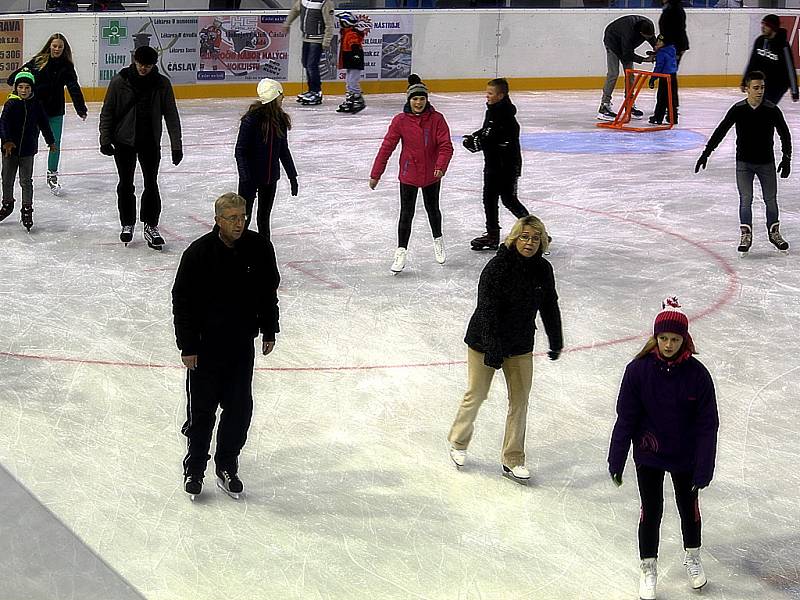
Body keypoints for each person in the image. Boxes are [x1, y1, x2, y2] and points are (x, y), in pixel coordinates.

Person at [608, 297, 719, 600]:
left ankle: (693, 557)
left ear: (685, 340)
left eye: (675, 339)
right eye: (664, 338)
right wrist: (616, 458)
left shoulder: (698, 375)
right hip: (650, 452)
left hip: (686, 456)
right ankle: (648, 566)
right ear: (655, 337)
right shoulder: (638, 371)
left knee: (689, 509)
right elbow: (626, 418)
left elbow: (708, 425)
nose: (669, 344)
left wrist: (704, 466)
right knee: (651, 510)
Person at [171, 192, 280, 500]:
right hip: (205, 349)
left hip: (241, 346)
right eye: (232, 218)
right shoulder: (198, 254)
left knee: (239, 409)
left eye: (242, 217)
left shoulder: (259, 249)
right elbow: (182, 302)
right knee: (202, 412)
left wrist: (270, 329)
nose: (239, 223)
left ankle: (227, 465)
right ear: (217, 220)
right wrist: (187, 346)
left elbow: (267, 292)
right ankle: (194, 469)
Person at [447, 216, 562, 484]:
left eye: (535, 238)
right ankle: (458, 442)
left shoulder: (543, 269)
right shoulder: (496, 267)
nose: (529, 243)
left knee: (520, 401)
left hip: (520, 343)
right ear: (514, 238)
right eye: (524, 237)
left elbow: (549, 305)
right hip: (484, 341)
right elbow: (486, 311)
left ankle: (513, 459)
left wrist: (555, 338)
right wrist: (493, 349)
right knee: (476, 393)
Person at [695, 70, 791, 254]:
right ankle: (746, 235)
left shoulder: (771, 110)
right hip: (744, 164)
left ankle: (774, 233)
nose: (760, 91)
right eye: (755, 87)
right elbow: (721, 131)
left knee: (770, 200)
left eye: (762, 87)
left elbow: (785, 134)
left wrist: (787, 158)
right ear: (746, 89)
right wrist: (706, 153)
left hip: (766, 163)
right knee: (745, 199)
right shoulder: (738, 109)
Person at [99, 45, 182, 250]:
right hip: (123, 141)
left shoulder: (162, 84)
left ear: (154, 65)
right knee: (125, 184)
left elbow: (171, 115)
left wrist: (176, 145)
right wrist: (104, 139)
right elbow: (108, 110)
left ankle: (151, 225)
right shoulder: (120, 81)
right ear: (134, 61)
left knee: (151, 184)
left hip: (150, 142)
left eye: (148, 65)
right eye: (140, 64)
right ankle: (127, 222)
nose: (143, 68)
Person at [369, 74, 454, 273]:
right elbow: (386, 147)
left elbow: (446, 146)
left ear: (427, 99)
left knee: (433, 209)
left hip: (432, 174)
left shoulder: (437, 119)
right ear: (409, 100)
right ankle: (401, 251)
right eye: (415, 99)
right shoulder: (400, 121)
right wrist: (376, 173)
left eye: (422, 98)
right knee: (406, 214)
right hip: (409, 174)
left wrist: (441, 166)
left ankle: (438, 239)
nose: (418, 102)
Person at [7, 33, 87, 196]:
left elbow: (73, 87)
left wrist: (80, 108)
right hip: (35, 110)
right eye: (55, 45)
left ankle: (52, 175)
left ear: (64, 49)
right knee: (29, 142)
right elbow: (20, 74)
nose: (57, 49)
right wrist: (13, 80)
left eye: (60, 46)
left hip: (56, 111)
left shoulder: (66, 66)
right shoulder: (39, 61)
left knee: (54, 144)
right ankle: (24, 174)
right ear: (49, 46)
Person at [462, 78, 529, 251]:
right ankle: (492, 235)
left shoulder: (505, 114)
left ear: (501, 95)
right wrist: (474, 137)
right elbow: (487, 132)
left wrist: (477, 142)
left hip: (506, 166)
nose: (487, 96)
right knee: (489, 199)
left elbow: (494, 138)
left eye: (490, 93)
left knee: (508, 199)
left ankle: (534, 230)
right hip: (493, 164)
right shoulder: (492, 111)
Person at [235, 78, 298, 240]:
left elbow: (283, 150)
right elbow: (240, 151)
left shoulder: (280, 120)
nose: (283, 98)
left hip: (270, 179)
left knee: (264, 219)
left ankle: (264, 253)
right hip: (250, 178)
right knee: (243, 218)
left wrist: (292, 176)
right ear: (274, 97)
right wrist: (245, 176)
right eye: (281, 95)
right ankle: (233, 251)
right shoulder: (251, 120)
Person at [0, 69, 57, 232]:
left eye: (27, 87)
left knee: (26, 181)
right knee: (7, 179)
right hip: (9, 151)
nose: (24, 90)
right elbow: (2, 124)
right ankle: (7, 203)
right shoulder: (11, 104)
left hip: (27, 150)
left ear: (32, 89)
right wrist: (7, 141)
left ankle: (27, 209)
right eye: (21, 87)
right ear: (16, 88)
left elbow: (44, 124)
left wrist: (51, 141)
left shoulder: (36, 105)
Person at [598, 15, 656, 121]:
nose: (647, 39)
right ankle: (604, 106)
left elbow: (654, 41)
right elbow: (627, 54)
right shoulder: (628, 32)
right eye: (645, 37)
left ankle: (629, 103)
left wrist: (657, 51)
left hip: (626, 46)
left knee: (630, 74)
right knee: (613, 73)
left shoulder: (648, 25)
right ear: (640, 33)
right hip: (613, 43)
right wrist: (644, 60)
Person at [283, 0, 334, 106]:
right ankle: (311, 90)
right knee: (306, 64)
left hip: (317, 40)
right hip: (306, 38)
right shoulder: (304, 1)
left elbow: (329, 24)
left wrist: (326, 40)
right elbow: (295, 11)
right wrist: (287, 23)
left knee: (311, 65)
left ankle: (316, 92)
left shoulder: (325, 3)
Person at [742, 14, 799, 105]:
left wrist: (794, 90)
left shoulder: (783, 45)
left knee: (765, 107)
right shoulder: (760, 41)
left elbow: (790, 68)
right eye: (762, 24)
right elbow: (752, 63)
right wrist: (745, 81)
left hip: (779, 84)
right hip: (763, 82)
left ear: (773, 28)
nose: (763, 27)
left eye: (766, 25)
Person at [335, 11, 368, 114]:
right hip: (350, 62)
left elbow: (355, 46)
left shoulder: (351, 34)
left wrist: (356, 56)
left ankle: (357, 99)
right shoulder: (346, 33)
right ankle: (351, 99)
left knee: (352, 82)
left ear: (345, 23)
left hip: (354, 62)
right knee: (349, 82)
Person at [647, 35, 678, 125]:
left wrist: (653, 78)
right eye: (657, 41)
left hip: (664, 78)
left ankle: (658, 117)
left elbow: (659, 67)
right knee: (671, 98)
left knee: (661, 98)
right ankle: (673, 117)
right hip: (672, 76)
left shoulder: (661, 53)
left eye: (660, 42)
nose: (658, 43)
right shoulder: (672, 49)